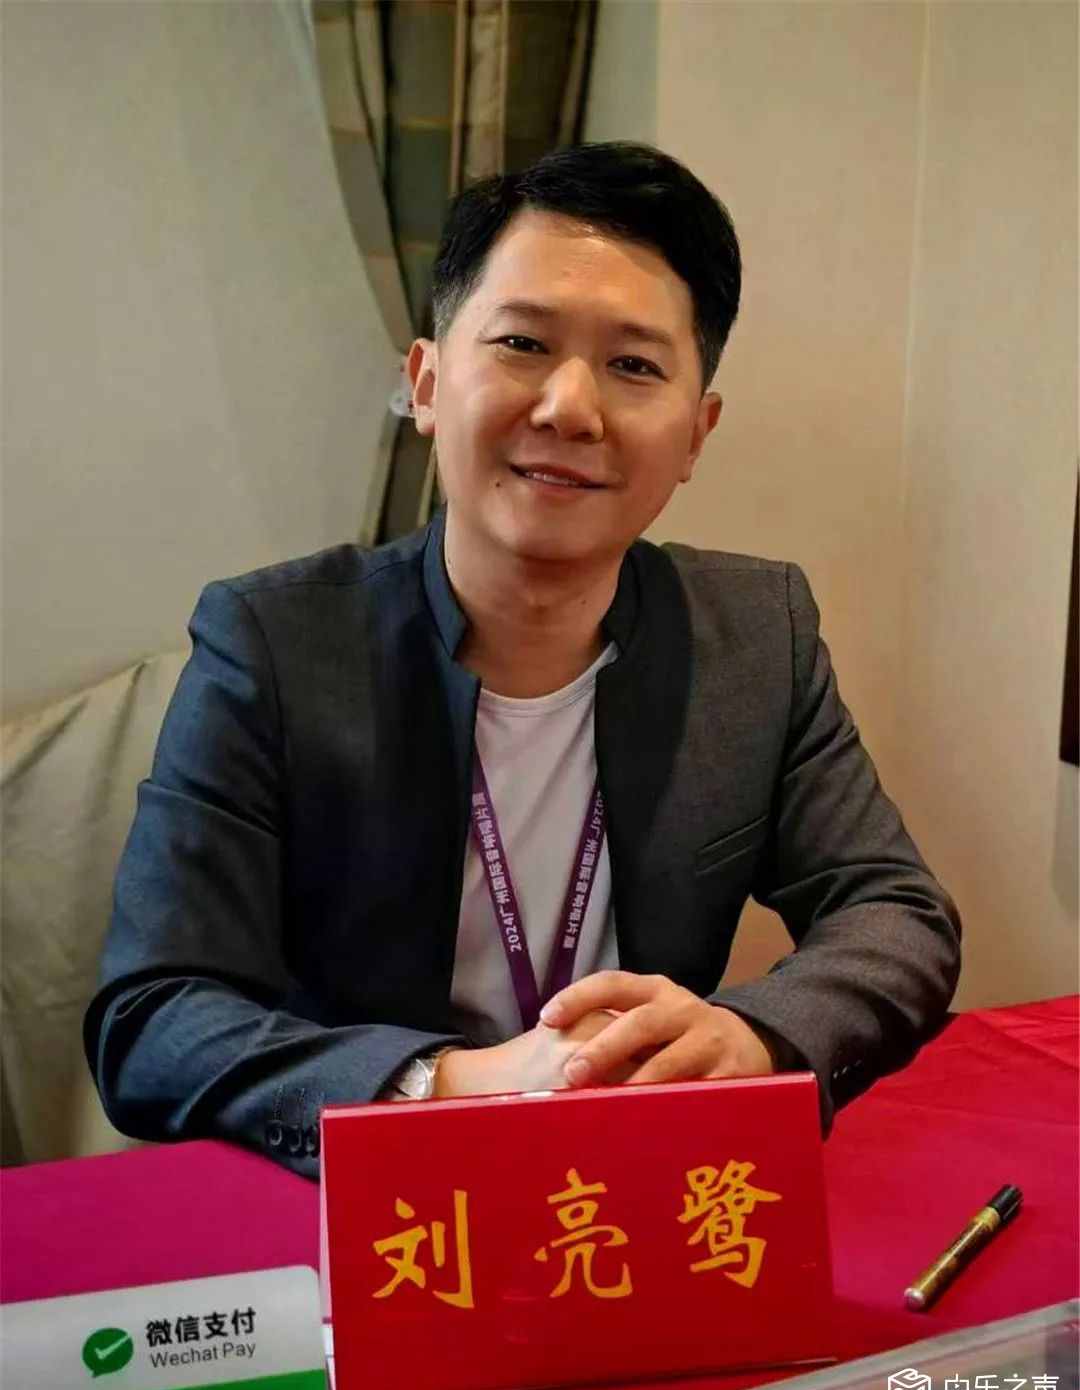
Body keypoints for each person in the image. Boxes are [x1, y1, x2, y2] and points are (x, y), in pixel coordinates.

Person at [84, 142, 961, 1178]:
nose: (570, 408)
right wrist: (452, 1084)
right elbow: (154, 1016)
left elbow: (895, 914)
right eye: (522, 343)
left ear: (696, 435)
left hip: (636, 1181)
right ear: (425, 383)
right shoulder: (273, 646)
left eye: (635, 366)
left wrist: (751, 1037)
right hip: (374, 1201)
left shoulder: (756, 636)